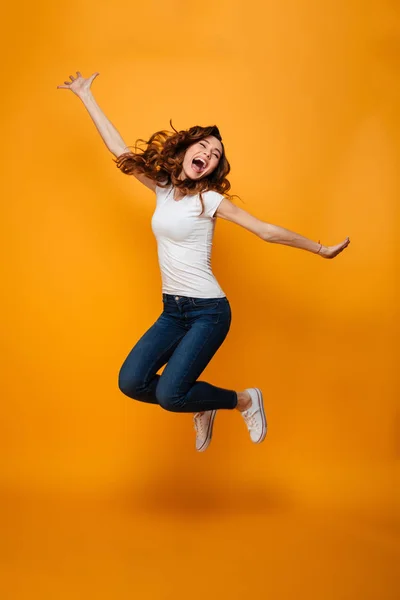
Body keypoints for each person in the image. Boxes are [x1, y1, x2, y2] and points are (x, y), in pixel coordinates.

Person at [57, 71, 351, 452]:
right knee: (131, 382)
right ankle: (202, 406)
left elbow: (264, 231)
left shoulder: (208, 201)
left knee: (170, 395)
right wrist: (85, 96)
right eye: (204, 148)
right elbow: (122, 153)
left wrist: (319, 248)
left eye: (215, 157)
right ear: (186, 150)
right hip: (172, 311)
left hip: (207, 313)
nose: (208, 157)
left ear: (213, 169)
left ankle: (243, 400)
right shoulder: (162, 190)